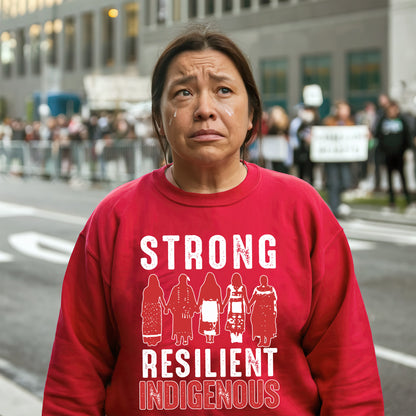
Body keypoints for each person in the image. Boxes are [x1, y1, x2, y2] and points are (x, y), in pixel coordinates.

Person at [42, 27, 384, 415]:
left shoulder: (302, 210)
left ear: (252, 111)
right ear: (159, 116)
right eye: (183, 92)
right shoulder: (114, 219)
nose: (205, 108)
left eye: (223, 90)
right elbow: (75, 380)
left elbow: (349, 377)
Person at [374, 100, 412, 207]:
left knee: (403, 177)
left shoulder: (402, 121)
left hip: (399, 154)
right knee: (389, 177)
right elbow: (378, 135)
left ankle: (407, 198)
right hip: (387, 154)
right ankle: (391, 199)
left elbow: (407, 136)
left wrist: (407, 151)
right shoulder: (383, 121)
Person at [322, 100, 355, 217]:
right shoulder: (329, 122)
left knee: (345, 182)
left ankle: (338, 203)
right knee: (333, 182)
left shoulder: (351, 123)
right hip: (331, 159)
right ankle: (334, 207)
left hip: (345, 159)